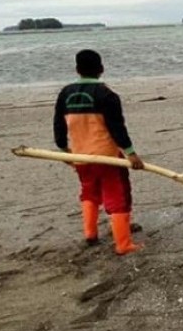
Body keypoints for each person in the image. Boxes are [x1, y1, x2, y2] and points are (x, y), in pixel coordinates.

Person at [53, 49, 143, 255]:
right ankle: (123, 244)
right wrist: (131, 153)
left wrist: (63, 149)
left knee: (89, 192)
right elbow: (117, 128)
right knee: (118, 195)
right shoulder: (107, 94)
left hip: (80, 157)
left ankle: (90, 234)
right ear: (101, 69)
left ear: (77, 70)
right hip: (108, 158)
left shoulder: (65, 93)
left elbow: (58, 124)